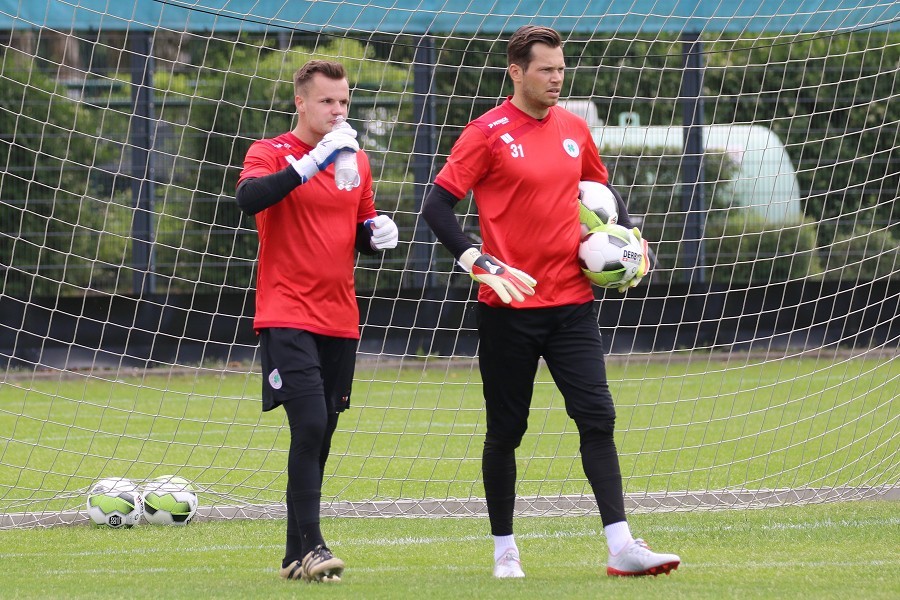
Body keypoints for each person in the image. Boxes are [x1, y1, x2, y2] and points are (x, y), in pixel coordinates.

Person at [422, 25, 680, 578]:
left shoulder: (574, 129)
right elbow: (436, 207)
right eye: (546, 69)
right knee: (506, 432)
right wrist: (477, 260)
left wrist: (632, 243)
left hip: (572, 305)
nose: (557, 78)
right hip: (509, 307)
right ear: (516, 72)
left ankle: (622, 547)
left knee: (598, 417)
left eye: (561, 69)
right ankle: (505, 551)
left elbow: (604, 198)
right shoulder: (485, 133)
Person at [236, 59, 398, 583]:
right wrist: (309, 164)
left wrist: (378, 234)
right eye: (327, 101)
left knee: (321, 433)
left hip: (340, 316)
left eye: (344, 101)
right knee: (307, 423)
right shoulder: (269, 151)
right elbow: (249, 198)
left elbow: (360, 226)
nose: (337, 110)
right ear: (300, 102)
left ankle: (293, 554)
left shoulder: (356, 160)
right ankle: (315, 547)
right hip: (286, 312)